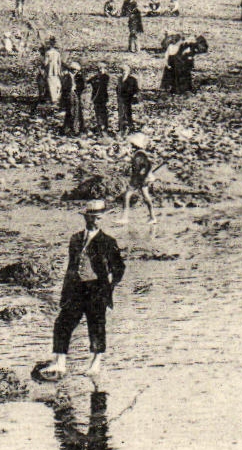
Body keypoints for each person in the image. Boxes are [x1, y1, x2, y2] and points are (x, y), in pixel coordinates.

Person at [41, 202, 126, 380]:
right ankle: (60, 362)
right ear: (86, 217)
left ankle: (96, 362)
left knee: (96, 325)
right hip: (75, 288)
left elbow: (119, 268)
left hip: (96, 289)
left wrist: (109, 287)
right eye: (94, 216)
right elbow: (71, 267)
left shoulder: (108, 242)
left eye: (100, 217)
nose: (97, 220)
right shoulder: (75, 239)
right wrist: (66, 291)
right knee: (63, 323)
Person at [123, 133, 158, 223]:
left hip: (140, 179)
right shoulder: (140, 154)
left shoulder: (139, 155)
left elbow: (145, 166)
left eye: (131, 144)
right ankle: (152, 217)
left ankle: (125, 218)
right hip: (143, 178)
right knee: (146, 197)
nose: (130, 146)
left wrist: (141, 174)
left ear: (134, 145)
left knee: (127, 196)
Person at [60, 61, 83, 135]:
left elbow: (82, 85)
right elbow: (64, 88)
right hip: (69, 94)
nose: (75, 72)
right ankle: (70, 129)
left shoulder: (77, 77)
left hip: (74, 93)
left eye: (76, 70)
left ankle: (72, 128)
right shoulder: (67, 77)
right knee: (71, 111)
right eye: (74, 70)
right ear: (71, 69)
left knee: (75, 111)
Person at [88, 63, 113, 133]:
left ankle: (105, 126)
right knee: (97, 112)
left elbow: (102, 83)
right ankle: (99, 125)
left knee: (103, 112)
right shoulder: (95, 77)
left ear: (105, 69)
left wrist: (97, 78)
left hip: (103, 98)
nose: (101, 70)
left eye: (102, 68)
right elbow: (88, 82)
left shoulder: (105, 77)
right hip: (95, 98)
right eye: (99, 69)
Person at [116, 65, 140, 135]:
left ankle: (130, 127)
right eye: (123, 71)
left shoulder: (132, 79)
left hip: (128, 98)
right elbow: (118, 88)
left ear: (129, 71)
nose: (124, 72)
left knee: (127, 112)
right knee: (121, 113)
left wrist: (132, 95)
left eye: (126, 71)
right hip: (120, 99)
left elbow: (135, 89)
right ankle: (121, 128)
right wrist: (118, 95)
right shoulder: (120, 79)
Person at [42, 39, 63, 106]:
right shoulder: (57, 53)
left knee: (51, 85)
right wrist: (59, 70)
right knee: (57, 84)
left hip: (50, 71)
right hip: (56, 71)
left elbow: (45, 63)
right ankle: (57, 98)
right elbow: (59, 63)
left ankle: (53, 99)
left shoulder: (48, 53)